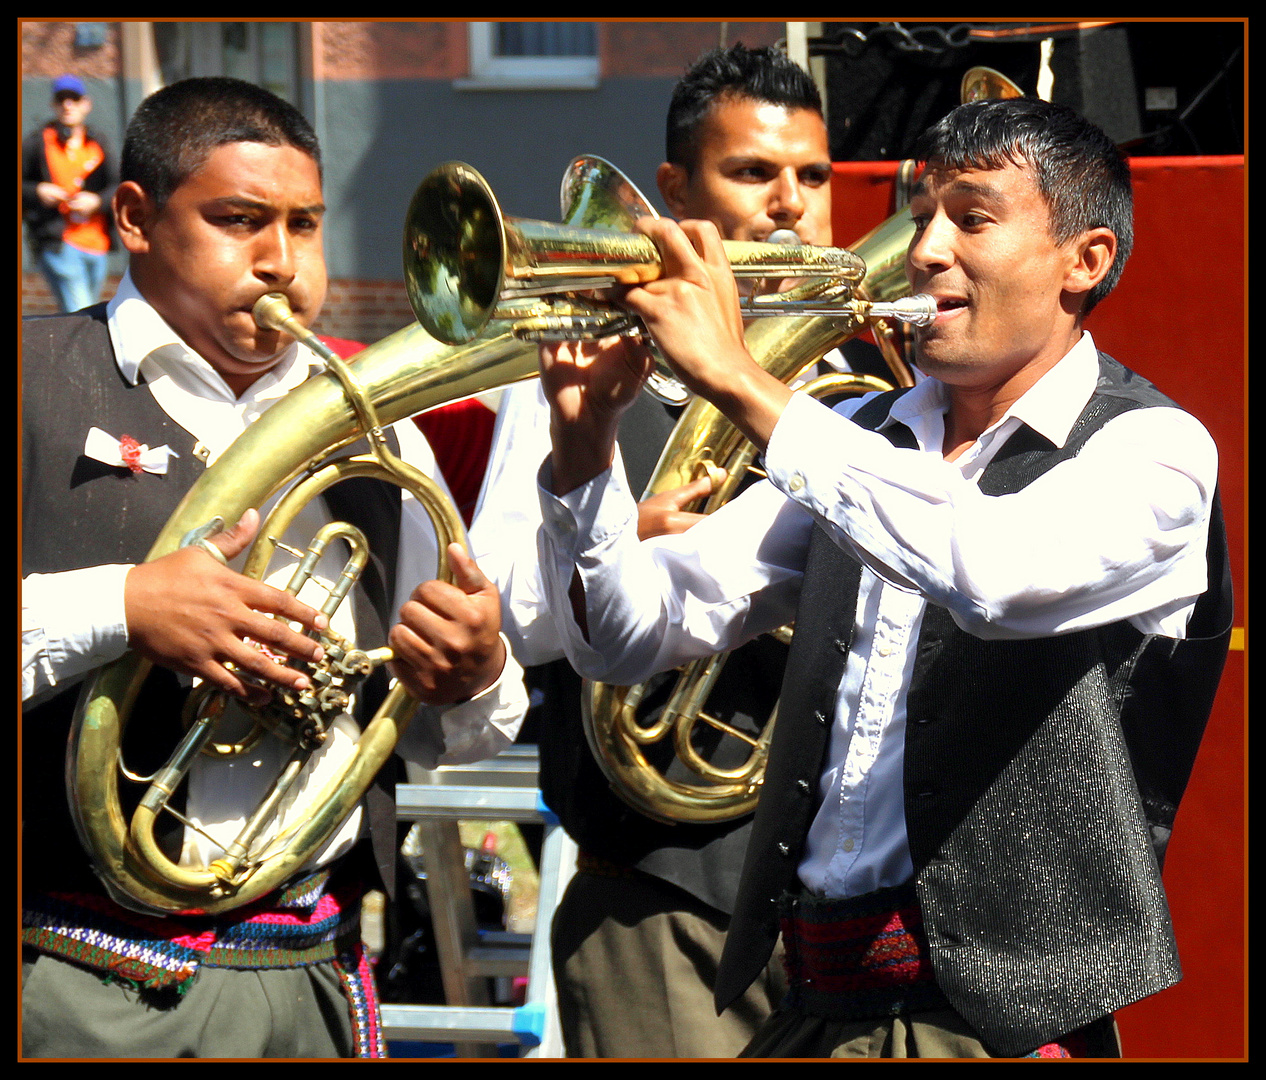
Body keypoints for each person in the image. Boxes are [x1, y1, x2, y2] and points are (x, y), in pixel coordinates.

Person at [532, 95, 1231, 1058]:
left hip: (995, 1029)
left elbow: (992, 573)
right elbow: (627, 638)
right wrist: (581, 452)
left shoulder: (1156, 451)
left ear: (1087, 262)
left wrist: (740, 377)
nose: (924, 249)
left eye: (972, 218)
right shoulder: (863, 433)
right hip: (816, 1004)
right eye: (923, 214)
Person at [21, 77, 527, 1059]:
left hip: (308, 968)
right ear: (133, 218)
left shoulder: (388, 433)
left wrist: (476, 672)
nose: (282, 262)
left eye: (305, 225)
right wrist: (123, 607)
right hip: (70, 971)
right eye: (239, 221)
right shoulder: (33, 377)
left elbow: (459, 735)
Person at [469, 43, 902, 1058]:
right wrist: (624, 549)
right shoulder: (586, 372)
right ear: (674, 191)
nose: (791, 203)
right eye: (753, 173)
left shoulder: (865, 382)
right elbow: (490, 612)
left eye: (813, 177)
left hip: (851, 904)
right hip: (667, 892)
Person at [23, 74, 116, 313]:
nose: (68, 105)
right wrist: (37, 190)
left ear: (86, 104)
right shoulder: (37, 143)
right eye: (61, 99)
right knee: (83, 311)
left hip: (96, 242)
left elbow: (118, 185)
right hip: (58, 241)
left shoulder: (98, 142)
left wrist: (96, 201)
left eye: (73, 99)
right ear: (53, 105)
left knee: (85, 312)